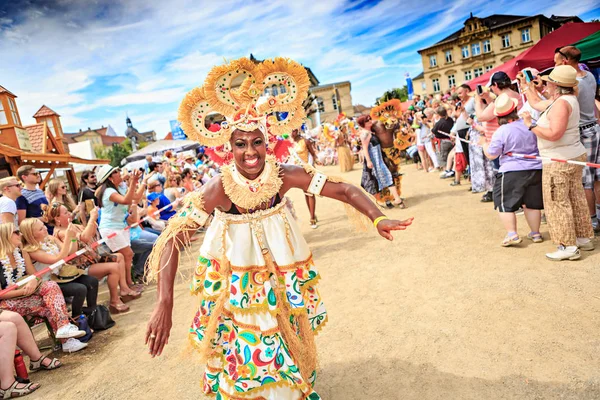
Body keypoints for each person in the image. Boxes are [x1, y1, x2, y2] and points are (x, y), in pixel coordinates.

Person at [145, 57, 413, 400]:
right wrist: (164, 302)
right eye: (240, 144)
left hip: (280, 283)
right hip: (239, 291)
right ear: (229, 148)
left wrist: (378, 217)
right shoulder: (219, 188)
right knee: (248, 354)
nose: (250, 152)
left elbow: (343, 189)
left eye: (256, 141)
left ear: (267, 142)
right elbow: (172, 239)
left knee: (288, 341)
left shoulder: (284, 175)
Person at [522, 65, 594, 261]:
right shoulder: (566, 98)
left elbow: (554, 134)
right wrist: (528, 87)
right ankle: (582, 238)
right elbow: (537, 103)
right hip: (570, 155)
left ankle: (567, 246)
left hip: (559, 159)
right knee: (575, 197)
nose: (546, 84)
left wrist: (531, 125)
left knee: (557, 202)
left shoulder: (562, 103)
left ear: (555, 85)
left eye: (548, 82)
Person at [0, 223, 88, 353]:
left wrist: (34, 281)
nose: (21, 235)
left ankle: (64, 329)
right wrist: (21, 291)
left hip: (28, 293)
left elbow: (36, 275)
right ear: (6, 236)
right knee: (49, 304)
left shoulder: (21, 252)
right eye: (16, 232)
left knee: (51, 286)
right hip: (8, 303)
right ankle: (67, 341)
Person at [44, 203, 139, 313]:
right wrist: (92, 217)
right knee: (113, 268)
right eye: (66, 213)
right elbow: (84, 238)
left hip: (92, 259)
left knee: (120, 257)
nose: (70, 214)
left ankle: (124, 289)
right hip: (80, 268)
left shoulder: (72, 226)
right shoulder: (61, 232)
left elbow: (91, 233)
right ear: (57, 218)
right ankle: (114, 301)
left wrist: (93, 220)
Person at [480, 94, 544, 247]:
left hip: (512, 171)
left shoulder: (502, 131)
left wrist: (483, 143)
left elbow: (491, 154)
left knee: (503, 203)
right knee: (532, 203)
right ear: (514, 108)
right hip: (535, 168)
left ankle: (512, 234)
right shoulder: (530, 124)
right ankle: (535, 233)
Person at [554, 46, 600, 231]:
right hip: (595, 129)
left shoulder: (572, 83)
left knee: (585, 180)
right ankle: (597, 215)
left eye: (556, 62)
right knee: (597, 177)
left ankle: (592, 219)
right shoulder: (588, 76)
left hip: (583, 132)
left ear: (565, 61)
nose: (554, 65)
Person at [20, 218, 100, 318]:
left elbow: (70, 253)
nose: (45, 229)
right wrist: (67, 238)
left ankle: (92, 312)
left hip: (62, 276)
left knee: (92, 281)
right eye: (40, 229)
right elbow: (58, 258)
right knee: (80, 289)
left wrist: (73, 238)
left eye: (44, 225)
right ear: (31, 235)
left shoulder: (50, 238)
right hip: (49, 282)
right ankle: (77, 318)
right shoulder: (31, 250)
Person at [96, 165, 141, 289]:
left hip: (120, 226)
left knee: (127, 256)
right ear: (110, 178)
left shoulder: (116, 189)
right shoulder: (109, 192)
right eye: (116, 172)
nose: (119, 172)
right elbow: (127, 201)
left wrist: (135, 182)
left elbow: (135, 198)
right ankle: (126, 285)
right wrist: (132, 182)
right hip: (110, 228)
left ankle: (128, 283)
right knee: (127, 254)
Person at [358, 115, 404, 208]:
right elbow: (365, 149)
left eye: (370, 119)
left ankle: (394, 199)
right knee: (376, 180)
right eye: (367, 121)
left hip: (378, 159)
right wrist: (369, 161)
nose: (370, 121)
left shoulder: (369, 131)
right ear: (363, 123)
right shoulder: (365, 134)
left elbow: (377, 121)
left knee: (384, 178)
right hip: (374, 161)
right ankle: (389, 200)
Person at [370, 99, 409, 208]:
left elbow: (399, 134)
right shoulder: (375, 125)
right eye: (388, 114)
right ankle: (386, 198)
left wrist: (403, 133)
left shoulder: (395, 124)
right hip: (381, 153)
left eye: (393, 114)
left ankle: (396, 196)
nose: (392, 117)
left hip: (393, 151)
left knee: (395, 174)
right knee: (385, 175)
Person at [291, 128, 319, 228]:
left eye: (293, 131)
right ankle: (312, 214)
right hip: (299, 171)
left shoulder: (305, 141)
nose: (291, 133)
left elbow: (312, 154)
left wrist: (313, 166)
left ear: (297, 131)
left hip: (309, 169)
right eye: (289, 131)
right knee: (306, 193)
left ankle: (312, 218)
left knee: (310, 193)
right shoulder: (290, 144)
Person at [432, 106, 455, 178]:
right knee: (449, 156)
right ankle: (451, 170)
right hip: (450, 140)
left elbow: (433, 131)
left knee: (443, 157)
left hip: (443, 142)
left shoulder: (439, 123)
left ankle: (447, 171)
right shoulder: (450, 119)